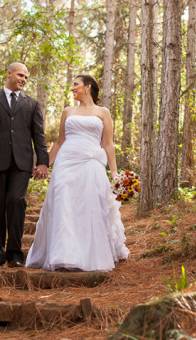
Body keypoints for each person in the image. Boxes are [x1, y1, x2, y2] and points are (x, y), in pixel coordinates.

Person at [25, 74, 130, 272]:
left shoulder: (103, 112)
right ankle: (62, 255)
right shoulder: (68, 111)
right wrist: (44, 164)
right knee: (63, 201)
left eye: (76, 84)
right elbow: (59, 141)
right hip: (66, 161)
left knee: (88, 206)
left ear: (87, 87)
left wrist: (114, 173)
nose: (72, 88)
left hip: (91, 163)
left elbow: (108, 144)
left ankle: (87, 254)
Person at [0, 62, 49, 268]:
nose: (23, 79)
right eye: (20, 75)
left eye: (26, 77)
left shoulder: (32, 105)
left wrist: (42, 162)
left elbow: (39, 136)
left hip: (21, 164)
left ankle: (15, 254)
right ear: (9, 74)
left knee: (16, 201)